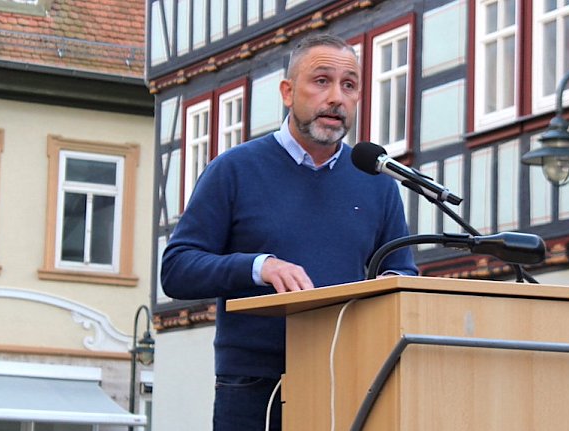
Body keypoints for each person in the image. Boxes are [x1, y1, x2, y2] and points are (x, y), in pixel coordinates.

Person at [160, 33, 417, 431]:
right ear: (287, 91)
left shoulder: (377, 181)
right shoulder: (234, 169)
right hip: (253, 387)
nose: (336, 97)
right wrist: (258, 267)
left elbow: (403, 271)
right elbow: (176, 269)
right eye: (321, 81)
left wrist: (394, 285)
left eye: (349, 85)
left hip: (348, 379)